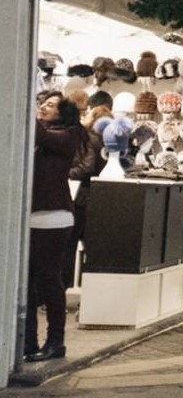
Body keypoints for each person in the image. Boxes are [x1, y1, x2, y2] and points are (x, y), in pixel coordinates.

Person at [25, 91, 85, 362]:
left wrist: (26, 98)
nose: (44, 108)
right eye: (43, 104)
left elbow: (41, 135)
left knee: (50, 281)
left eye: (51, 105)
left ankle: (55, 342)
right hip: (32, 215)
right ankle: (27, 341)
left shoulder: (67, 136)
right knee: (27, 283)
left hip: (54, 217)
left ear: (64, 114)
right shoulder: (39, 136)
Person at [64, 91, 111, 287]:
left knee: (69, 247)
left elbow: (86, 167)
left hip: (80, 197)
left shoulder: (88, 139)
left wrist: (65, 173)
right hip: (97, 198)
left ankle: (61, 291)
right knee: (93, 248)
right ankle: (93, 291)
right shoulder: (105, 142)